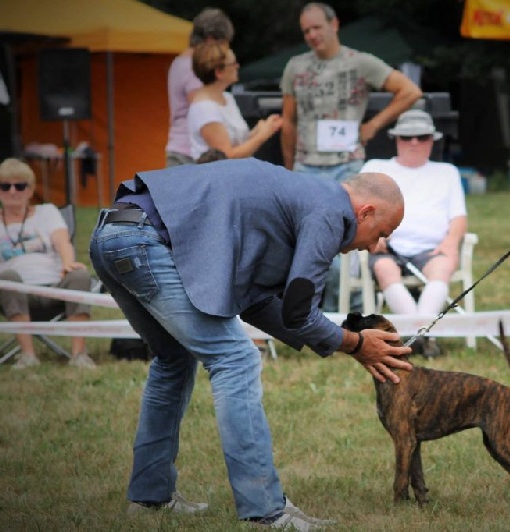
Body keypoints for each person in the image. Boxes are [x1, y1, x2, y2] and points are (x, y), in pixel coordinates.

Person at [89, 160, 412, 527]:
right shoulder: (330, 212)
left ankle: (149, 498)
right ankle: (267, 510)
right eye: (380, 232)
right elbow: (299, 312)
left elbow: (257, 302)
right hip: (144, 240)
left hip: (113, 231)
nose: (374, 247)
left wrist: (343, 343)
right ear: (365, 211)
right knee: (236, 359)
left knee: (174, 358)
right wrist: (354, 343)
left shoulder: (303, 199)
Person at [280, 2, 422, 312]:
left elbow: (410, 91)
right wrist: (289, 170)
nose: (312, 35)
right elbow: (288, 122)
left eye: (317, 27)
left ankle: (349, 313)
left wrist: (372, 125)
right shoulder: (295, 67)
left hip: (348, 169)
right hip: (306, 166)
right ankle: (308, 315)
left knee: (350, 244)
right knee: (302, 243)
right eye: (306, 31)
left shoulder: (360, 62)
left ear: (335, 25)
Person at [361, 110, 466, 357]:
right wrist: (374, 235)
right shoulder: (375, 168)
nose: (415, 142)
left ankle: (418, 335)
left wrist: (451, 242)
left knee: (442, 267)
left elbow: (459, 218)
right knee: (385, 269)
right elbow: (359, 210)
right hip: (386, 247)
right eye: (407, 137)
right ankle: (422, 335)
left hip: (432, 249)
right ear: (396, 139)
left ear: (432, 139)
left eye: (422, 136)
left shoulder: (447, 172)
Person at [0, 159, 95, 369]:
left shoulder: (47, 212)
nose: (13, 191)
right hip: (13, 291)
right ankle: (27, 355)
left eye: (20, 185)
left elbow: (63, 242)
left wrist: (67, 263)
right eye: (5, 186)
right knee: (8, 277)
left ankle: (79, 355)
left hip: (54, 288)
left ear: (30, 189)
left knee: (79, 274)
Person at [188, 40, 282, 161]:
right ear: (219, 72)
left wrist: (260, 130)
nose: (237, 66)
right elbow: (227, 155)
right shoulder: (204, 109)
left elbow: (238, 143)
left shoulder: (227, 97)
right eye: (232, 64)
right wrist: (263, 135)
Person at [165, 7, 234, 167]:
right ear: (210, 39)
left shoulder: (179, 61)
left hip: (178, 149)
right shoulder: (193, 68)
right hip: (188, 153)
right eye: (223, 43)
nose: (225, 50)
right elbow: (201, 111)